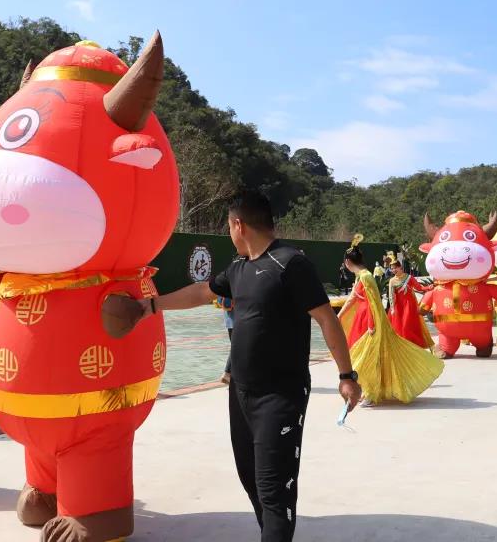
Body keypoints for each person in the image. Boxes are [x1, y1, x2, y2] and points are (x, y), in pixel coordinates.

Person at [140, 191, 361, 541]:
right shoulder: (239, 269)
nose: (230, 232)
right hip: (240, 394)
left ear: (238, 225)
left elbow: (327, 320)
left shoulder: (291, 264)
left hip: (281, 394)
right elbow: (202, 292)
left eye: (228, 226)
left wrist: (346, 376)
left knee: (275, 487)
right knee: (251, 478)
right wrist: (150, 306)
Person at [337, 240, 442, 404]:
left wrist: (372, 325)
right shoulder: (362, 277)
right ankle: (369, 389)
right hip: (364, 319)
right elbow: (352, 299)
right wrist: (339, 316)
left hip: (371, 322)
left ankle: (371, 392)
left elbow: (374, 302)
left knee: (368, 358)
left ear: (347, 262)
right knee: (360, 356)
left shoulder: (366, 277)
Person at [386, 260, 434, 348]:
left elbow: (419, 287)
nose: (394, 270)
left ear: (400, 267)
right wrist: (392, 309)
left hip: (409, 305)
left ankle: (413, 345)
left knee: (408, 325)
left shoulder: (409, 277)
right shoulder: (392, 281)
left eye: (395, 268)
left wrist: (428, 287)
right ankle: (404, 345)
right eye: (392, 269)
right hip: (399, 307)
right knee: (400, 327)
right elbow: (391, 296)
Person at [219, 297, 234, 385]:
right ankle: (227, 373)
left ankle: (230, 374)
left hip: (229, 319)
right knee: (238, 348)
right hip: (240, 318)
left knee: (236, 347)